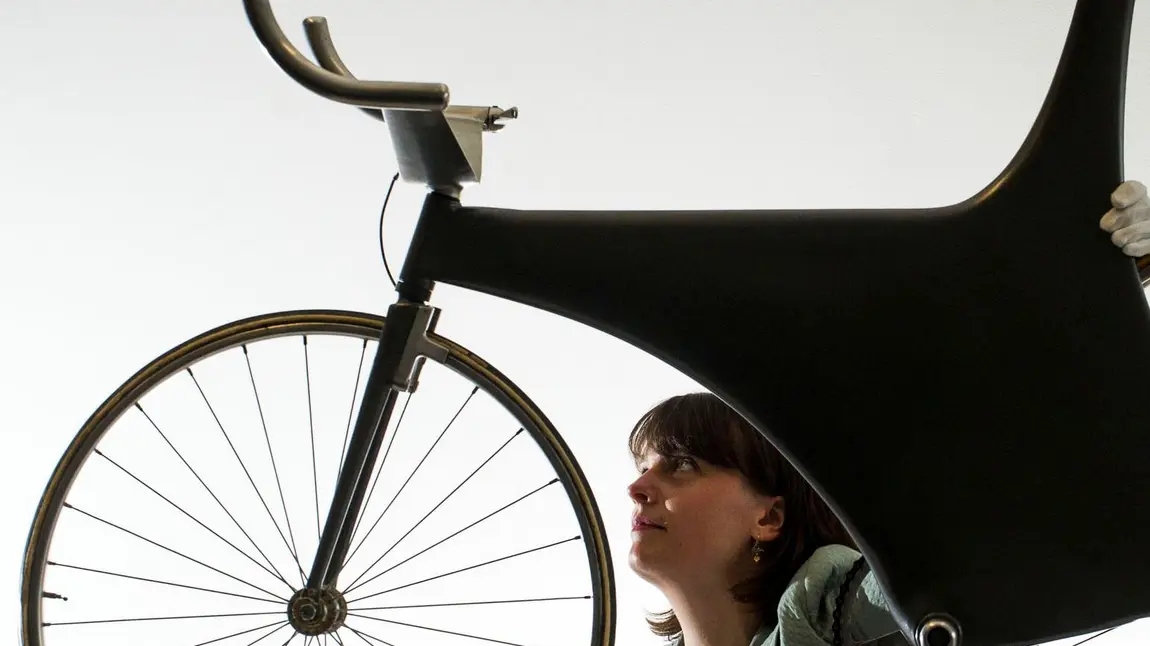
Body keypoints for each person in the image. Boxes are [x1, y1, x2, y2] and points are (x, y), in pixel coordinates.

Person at [625, 182, 1150, 646]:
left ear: (769, 517)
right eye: (643, 467)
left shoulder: (832, 603)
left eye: (682, 464)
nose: (638, 488)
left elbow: (970, 538)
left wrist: (1104, 288)